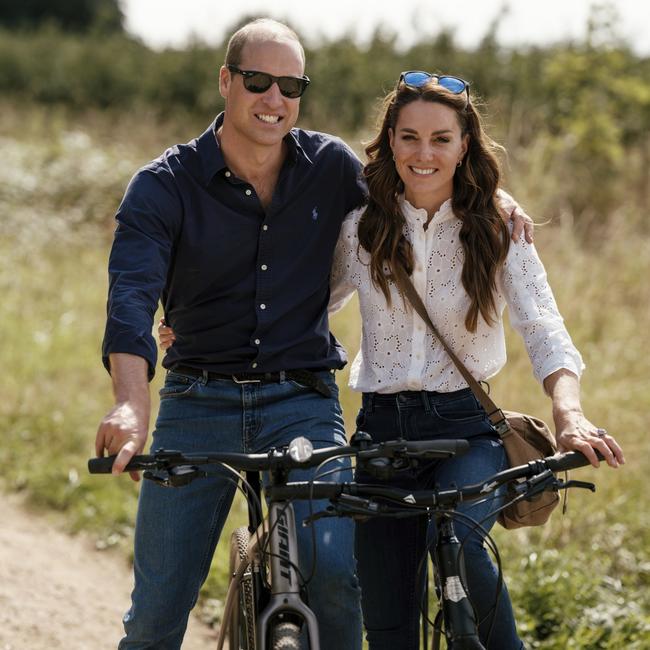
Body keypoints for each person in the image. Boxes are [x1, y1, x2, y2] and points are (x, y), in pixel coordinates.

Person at [98, 17, 531, 650]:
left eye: (290, 85)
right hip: (197, 401)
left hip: (300, 401)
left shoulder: (329, 167)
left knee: (334, 573)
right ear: (226, 81)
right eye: (257, 81)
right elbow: (131, 299)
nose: (275, 100)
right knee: (158, 611)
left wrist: (496, 197)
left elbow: (416, 181)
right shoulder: (163, 185)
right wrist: (132, 404)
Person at [324, 72, 625, 649]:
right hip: (381, 431)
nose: (424, 153)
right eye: (409, 136)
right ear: (390, 140)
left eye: (441, 138)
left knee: (461, 542)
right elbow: (307, 305)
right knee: (387, 622)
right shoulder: (360, 230)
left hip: (468, 429)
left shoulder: (498, 228)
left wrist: (569, 414)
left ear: (465, 145)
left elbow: (543, 326)